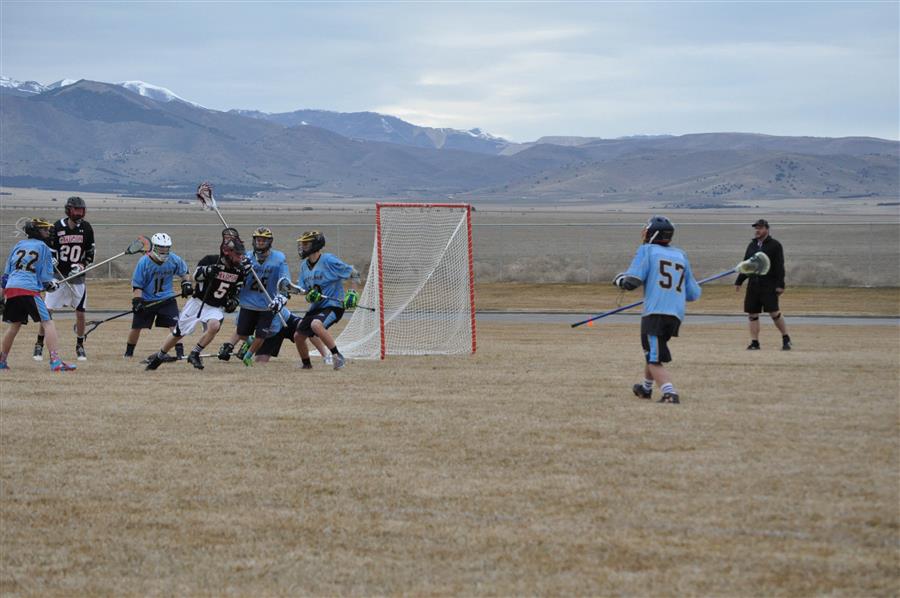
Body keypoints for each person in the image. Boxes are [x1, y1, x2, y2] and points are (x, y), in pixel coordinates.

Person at [613, 216, 701, 404]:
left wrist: (619, 280)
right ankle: (645, 388)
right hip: (675, 315)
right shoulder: (681, 255)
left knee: (653, 357)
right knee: (652, 352)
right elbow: (693, 294)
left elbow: (632, 282)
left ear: (652, 234)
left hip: (655, 313)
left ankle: (670, 393)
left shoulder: (647, 250)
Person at [145, 234, 251, 371]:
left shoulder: (239, 270)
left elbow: (237, 289)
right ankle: (159, 357)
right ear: (227, 252)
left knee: (214, 326)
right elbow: (196, 276)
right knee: (178, 334)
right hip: (198, 303)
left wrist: (234, 300)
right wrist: (208, 271)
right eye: (237, 254)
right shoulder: (210, 260)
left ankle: (195, 353)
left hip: (215, 306)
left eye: (241, 255)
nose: (240, 258)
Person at [1, 218, 77, 371]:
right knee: (47, 322)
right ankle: (55, 361)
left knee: (14, 325)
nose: (48, 232)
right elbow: (45, 280)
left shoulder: (19, 245)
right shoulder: (43, 248)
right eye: (44, 229)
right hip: (28, 289)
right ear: (36, 231)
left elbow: (6, 276)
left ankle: (2, 361)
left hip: (12, 288)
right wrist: (52, 285)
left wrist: (2, 295)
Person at [35, 196, 95, 361]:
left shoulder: (86, 228)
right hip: (58, 276)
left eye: (81, 210)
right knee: (47, 311)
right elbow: (50, 249)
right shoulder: (57, 227)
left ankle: (80, 345)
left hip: (77, 277)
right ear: (68, 210)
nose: (79, 213)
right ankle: (39, 344)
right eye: (76, 210)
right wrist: (51, 261)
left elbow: (90, 253)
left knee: (80, 312)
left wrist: (82, 265)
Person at [217, 227, 289, 362]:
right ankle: (248, 345)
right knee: (242, 332)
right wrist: (242, 268)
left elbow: (284, 280)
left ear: (270, 242)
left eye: (263, 240)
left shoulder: (279, 258)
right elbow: (234, 275)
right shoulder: (246, 257)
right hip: (248, 302)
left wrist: (281, 297)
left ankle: (248, 357)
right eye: (258, 240)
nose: (260, 243)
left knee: (261, 334)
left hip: (267, 304)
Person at [294, 230, 360, 370]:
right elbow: (304, 290)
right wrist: (309, 295)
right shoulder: (304, 266)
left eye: (306, 244)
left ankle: (337, 357)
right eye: (302, 244)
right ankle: (306, 364)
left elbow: (354, 273)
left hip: (334, 305)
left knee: (316, 325)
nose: (302, 247)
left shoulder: (328, 260)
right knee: (298, 336)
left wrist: (353, 292)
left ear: (315, 244)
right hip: (317, 307)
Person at [125, 233, 191, 360]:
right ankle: (128, 353)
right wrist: (137, 301)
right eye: (161, 247)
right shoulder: (144, 262)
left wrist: (186, 284)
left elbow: (185, 272)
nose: (164, 250)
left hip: (167, 299)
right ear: (154, 247)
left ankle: (180, 353)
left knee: (176, 326)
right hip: (147, 300)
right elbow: (137, 285)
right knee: (136, 327)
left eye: (167, 247)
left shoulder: (174, 259)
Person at [734, 219, 791, 351]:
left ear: (766, 229)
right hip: (753, 284)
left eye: (760, 228)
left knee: (774, 313)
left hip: (769, 285)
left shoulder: (775, 245)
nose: (757, 230)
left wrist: (780, 285)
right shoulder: (752, 245)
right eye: (756, 228)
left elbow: (779, 266)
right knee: (752, 314)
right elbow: (746, 265)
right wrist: (739, 281)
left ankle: (786, 338)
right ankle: (755, 342)